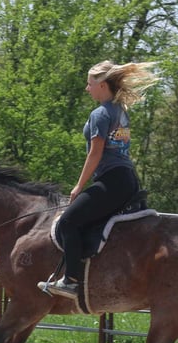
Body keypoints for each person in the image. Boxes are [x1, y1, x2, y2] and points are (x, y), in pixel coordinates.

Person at [44, 60, 159, 299]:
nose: (87, 89)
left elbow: (95, 153)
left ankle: (71, 280)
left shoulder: (100, 114)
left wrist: (78, 186)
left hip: (112, 180)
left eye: (90, 84)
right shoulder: (120, 111)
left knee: (67, 222)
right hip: (127, 179)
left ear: (103, 86)